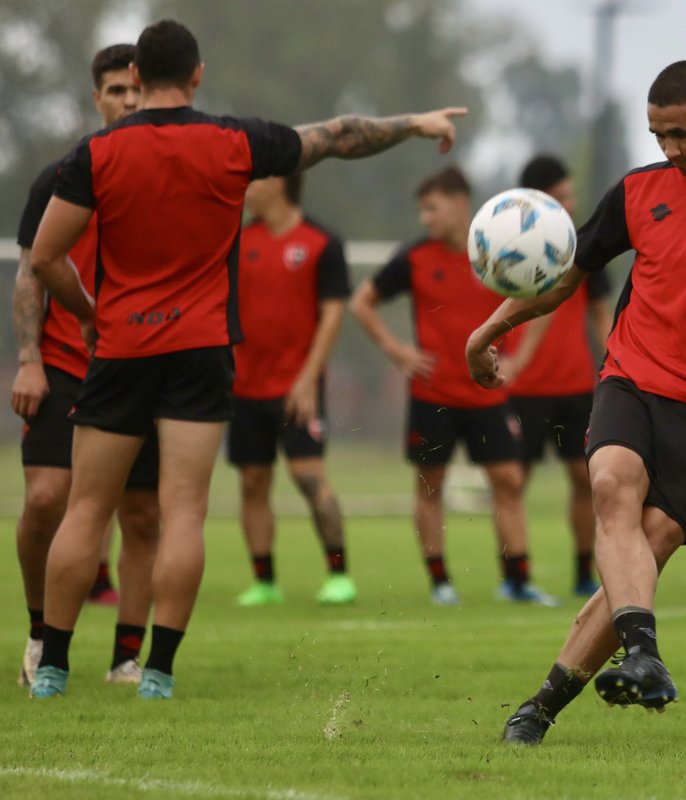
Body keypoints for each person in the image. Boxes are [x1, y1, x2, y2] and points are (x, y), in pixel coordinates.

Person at [28, 19, 466, 700]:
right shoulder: (235, 142)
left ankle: (52, 668)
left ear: (137, 80)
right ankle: (158, 675)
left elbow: (44, 258)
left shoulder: (96, 154)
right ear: (197, 74)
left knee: (87, 509)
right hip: (201, 353)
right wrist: (415, 122)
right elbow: (341, 135)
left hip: (121, 348)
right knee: (183, 512)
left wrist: (90, 315)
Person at [465, 60, 686, 744]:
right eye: (657, 134)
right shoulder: (638, 192)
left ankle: (539, 707)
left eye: (681, 133)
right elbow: (565, 275)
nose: (668, 148)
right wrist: (490, 328)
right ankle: (644, 657)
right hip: (631, 377)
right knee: (610, 486)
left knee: (651, 542)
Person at [11, 43, 161, 688]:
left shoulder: (164, 176)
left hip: (141, 364)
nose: (127, 102)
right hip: (67, 364)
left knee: (143, 516)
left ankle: (127, 655)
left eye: (135, 91)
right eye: (115, 92)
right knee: (46, 500)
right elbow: (31, 272)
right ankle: (41, 635)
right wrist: (28, 358)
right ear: (95, 98)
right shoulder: (62, 176)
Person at [350, 166, 557, 608]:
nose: (425, 218)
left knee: (508, 480)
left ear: (461, 204)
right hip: (433, 396)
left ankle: (517, 581)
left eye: (432, 208)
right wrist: (397, 350)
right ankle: (440, 582)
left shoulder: (496, 253)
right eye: (421, 210)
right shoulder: (414, 258)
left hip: (488, 394)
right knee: (430, 484)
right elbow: (361, 301)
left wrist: (520, 356)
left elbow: (543, 299)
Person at [229, 172, 355, 607]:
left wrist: (307, 378)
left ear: (278, 183)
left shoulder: (323, 242)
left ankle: (339, 574)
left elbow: (334, 314)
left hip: (297, 387)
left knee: (308, 476)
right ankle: (264, 581)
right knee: (252, 481)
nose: (244, 188)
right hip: (245, 386)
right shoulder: (238, 242)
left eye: (252, 180)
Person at [501, 155, 612, 597]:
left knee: (586, 480)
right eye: (563, 196)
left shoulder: (583, 247)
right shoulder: (506, 245)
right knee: (511, 483)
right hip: (522, 388)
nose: (572, 203)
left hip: (576, 387)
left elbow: (601, 314)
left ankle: (584, 574)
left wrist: (615, 365)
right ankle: (514, 578)